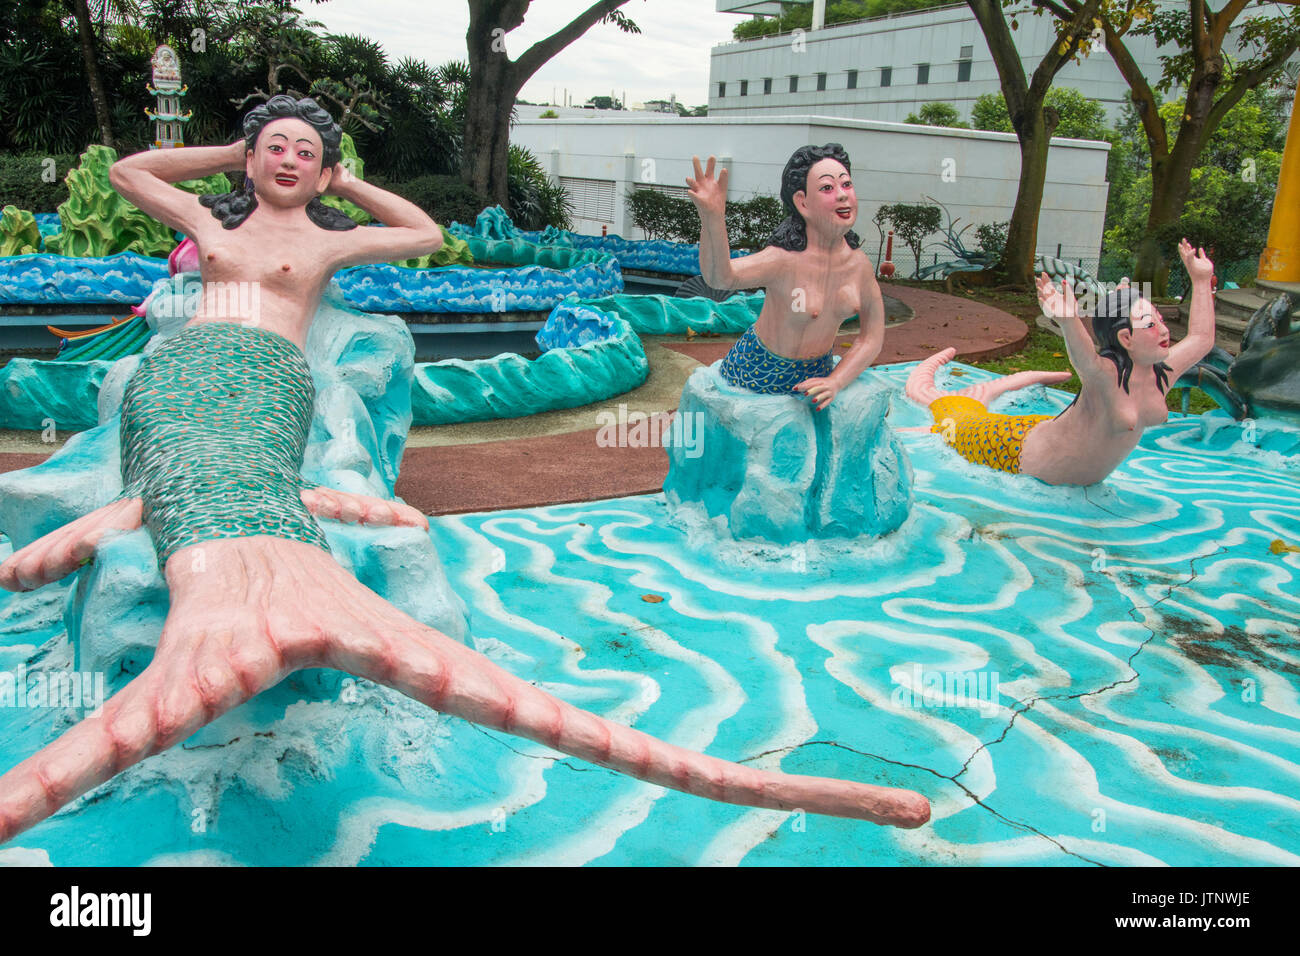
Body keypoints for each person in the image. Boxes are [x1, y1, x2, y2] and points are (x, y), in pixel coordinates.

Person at [0, 97, 929, 843]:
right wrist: (235, 148)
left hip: (274, 381)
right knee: (186, 466)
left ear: (322, 170)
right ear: (251, 160)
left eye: (302, 153)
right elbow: (129, 171)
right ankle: (174, 525)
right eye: (273, 149)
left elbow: (417, 231)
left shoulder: (328, 239)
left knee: (252, 471)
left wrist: (342, 176)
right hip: (184, 375)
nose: (287, 162)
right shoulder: (208, 216)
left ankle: (247, 542)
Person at [906, 239, 1218, 485]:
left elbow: (1202, 339)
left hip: (1042, 434)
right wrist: (1068, 320)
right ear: (1125, 339)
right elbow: (1082, 358)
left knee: (969, 411)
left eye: (1161, 320)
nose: (1164, 330)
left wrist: (1201, 280)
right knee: (955, 422)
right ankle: (948, 404)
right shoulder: (1104, 376)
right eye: (1151, 324)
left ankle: (985, 394)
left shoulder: (1160, 373)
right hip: (1017, 452)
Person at [686, 144, 886, 410]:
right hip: (758, 374)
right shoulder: (783, 260)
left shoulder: (859, 265)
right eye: (827, 188)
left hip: (818, 375)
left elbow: (871, 336)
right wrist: (712, 218)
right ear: (802, 202)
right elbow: (721, 278)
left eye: (846, 185)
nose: (842, 196)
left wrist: (836, 381)